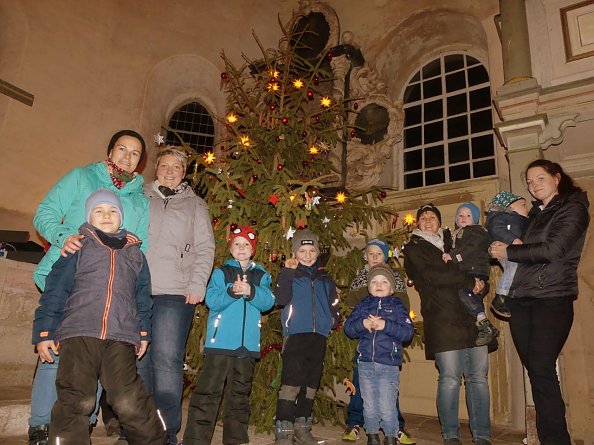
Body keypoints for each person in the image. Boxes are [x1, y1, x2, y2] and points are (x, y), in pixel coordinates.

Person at [28, 129, 149, 445]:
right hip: (70, 277)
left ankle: (83, 425)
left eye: (134, 152)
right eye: (121, 148)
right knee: (56, 350)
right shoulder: (82, 177)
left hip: (111, 292)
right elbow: (46, 213)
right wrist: (61, 237)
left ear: (140, 161)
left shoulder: (139, 198)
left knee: (94, 359)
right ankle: (41, 425)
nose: (127, 156)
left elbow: (140, 245)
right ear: (110, 151)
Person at [489, 160, 589, 445]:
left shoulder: (573, 207)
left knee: (542, 369)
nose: (533, 185)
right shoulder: (535, 214)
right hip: (522, 300)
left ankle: (557, 440)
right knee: (536, 371)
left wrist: (509, 252)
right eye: (530, 181)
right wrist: (503, 249)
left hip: (552, 298)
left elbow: (554, 249)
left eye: (540, 178)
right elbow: (524, 251)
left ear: (557, 178)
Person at [137, 145, 215, 445]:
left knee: (167, 359)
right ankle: (141, 428)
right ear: (156, 168)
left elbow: (205, 247)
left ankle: (167, 432)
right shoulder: (139, 196)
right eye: (165, 165)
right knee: (137, 360)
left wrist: (197, 284)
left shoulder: (195, 205)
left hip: (174, 291)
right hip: (136, 288)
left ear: (184, 173)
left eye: (177, 167)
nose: (170, 171)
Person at [404, 204, 492, 445]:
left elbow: (479, 264)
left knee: (479, 379)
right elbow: (432, 277)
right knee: (450, 378)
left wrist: (481, 285)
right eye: (423, 217)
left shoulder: (456, 239)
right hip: (442, 319)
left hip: (473, 319)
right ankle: (451, 434)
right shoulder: (414, 248)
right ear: (418, 224)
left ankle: (483, 435)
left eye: (433, 216)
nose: (428, 219)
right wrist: (467, 279)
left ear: (440, 221)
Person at [183, 226, 274, 445]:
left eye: (246, 245)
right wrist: (232, 292)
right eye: (237, 244)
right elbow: (212, 300)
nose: (241, 248)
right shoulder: (221, 272)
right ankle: (196, 439)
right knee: (208, 392)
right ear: (230, 248)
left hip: (247, 347)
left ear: (252, 249)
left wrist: (251, 291)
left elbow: (268, 301)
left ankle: (235, 439)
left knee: (240, 395)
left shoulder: (261, 275)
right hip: (220, 344)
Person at [342, 239, 416, 445]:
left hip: (388, 362)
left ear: (392, 287)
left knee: (387, 402)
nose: (379, 285)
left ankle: (392, 434)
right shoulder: (364, 304)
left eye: (384, 282)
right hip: (365, 361)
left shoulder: (397, 305)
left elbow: (406, 331)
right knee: (369, 403)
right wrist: (363, 323)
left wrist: (385, 326)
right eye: (374, 282)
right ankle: (372, 435)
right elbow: (350, 326)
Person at [274, 228, 340, 445]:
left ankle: (303, 429)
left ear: (317, 251)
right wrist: (287, 272)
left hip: (318, 336)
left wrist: (333, 318)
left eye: (312, 250)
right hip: (295, 335)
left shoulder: (325, 278)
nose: (308, 255)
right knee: (291, 383)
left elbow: (333, 302)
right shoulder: (291, 275)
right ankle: (283, 431)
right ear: (295, 253)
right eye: (303, 250)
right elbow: (281, 298)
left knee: (310, 384)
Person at [442, 203, 497, 346]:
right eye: (460, 215)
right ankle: (482, 323)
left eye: (468, 215)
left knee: (464, 292)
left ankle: (483, 321)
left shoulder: (476, 231)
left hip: (475, 270)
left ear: (475, 219)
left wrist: (453, 256)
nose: (463, 218)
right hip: (466, 271)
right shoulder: (456, 234)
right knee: (466, 295)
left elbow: (471, 248)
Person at [484, 191, 529, 318]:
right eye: (523, 205)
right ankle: (501, 297)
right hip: (505, 249)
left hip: (515, 252)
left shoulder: (523, 220)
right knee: (512, 268)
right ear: (511, 207)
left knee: (514, 271)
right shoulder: (501, 216)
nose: (527, 208)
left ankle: (510, 295)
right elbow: (496, 229)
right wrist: (512, 240)